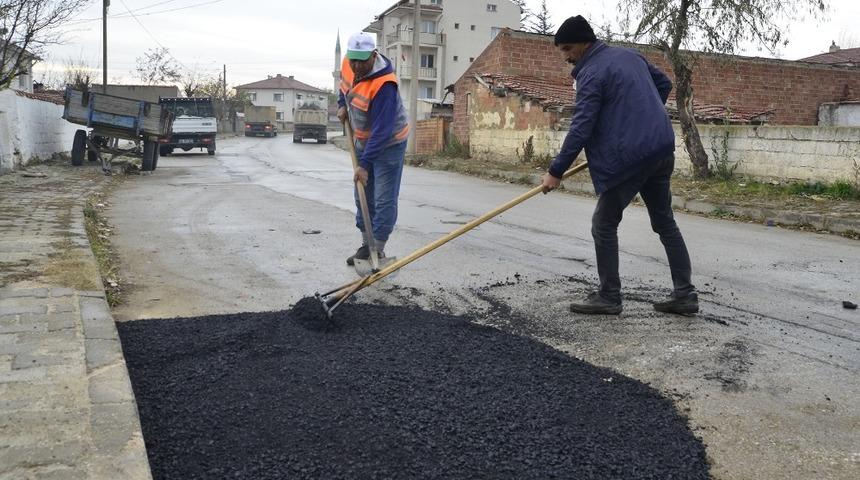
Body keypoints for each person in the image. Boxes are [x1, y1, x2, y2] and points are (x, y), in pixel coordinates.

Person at [541, 15, 698, 315]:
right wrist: (640, 116)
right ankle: (685, 294)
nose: (566, 56)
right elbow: (663, 84)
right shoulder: (628, 56)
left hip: (631, 158)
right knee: (664, 222)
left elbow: (581, 126)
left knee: (603, 223)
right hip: (660, 147)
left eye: (568, 48)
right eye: (561, 50)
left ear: (585, 43)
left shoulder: (591, 73)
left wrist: (555, 171)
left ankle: (609, 296)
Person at [337, 32, 409, 266]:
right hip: (361, 139)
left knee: (383, 199)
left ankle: (377, 250)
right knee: (362, 196)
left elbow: (382, 130)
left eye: (362, 61)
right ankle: (366, 245)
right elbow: (344, 87)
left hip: (388, 144)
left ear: (374, 55)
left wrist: (365, 165)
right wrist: (341, 105)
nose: (357, 66)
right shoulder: (348, 65)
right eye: (353, 60)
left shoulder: (384, 85)